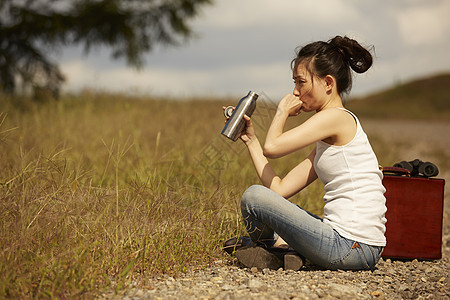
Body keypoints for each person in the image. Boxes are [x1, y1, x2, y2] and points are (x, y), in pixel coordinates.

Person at [224, 36, 387, 271]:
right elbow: (279, 189)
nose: (295, 92)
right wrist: (251, 140)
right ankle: (282, 252)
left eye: (301, 82)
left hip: (351, 247)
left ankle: (268, 247)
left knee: (252, 197)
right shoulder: (329, 138)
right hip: (358, 247)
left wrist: (281, 111)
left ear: (328, 83)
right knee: (265, 207)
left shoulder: (336, 118)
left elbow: (273, 148)